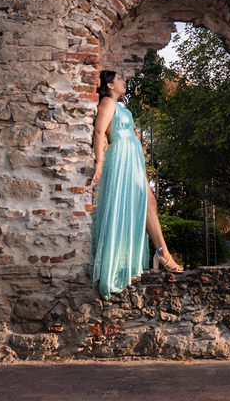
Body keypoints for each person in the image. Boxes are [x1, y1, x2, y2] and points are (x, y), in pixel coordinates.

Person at [89, 69, 183, 298]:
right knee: (144, 204)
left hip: (132, 160)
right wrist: (99, 163)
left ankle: (161, 253)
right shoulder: (107, 103)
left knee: (149, 204)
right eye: (119, 79)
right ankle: (163, 254)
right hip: (121, 158)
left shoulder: (119, 106)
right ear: (109, 85)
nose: (123, 81)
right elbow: (100, 131)